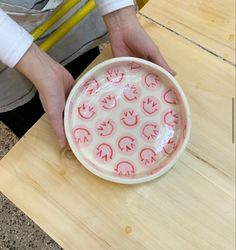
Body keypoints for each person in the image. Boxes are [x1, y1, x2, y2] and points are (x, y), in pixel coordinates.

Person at [0, 0, 175, 147]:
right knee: (41, 132)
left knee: (85, 72)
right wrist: (25, 56)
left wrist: (118, 15)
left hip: (68, 18)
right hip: (8, 71)